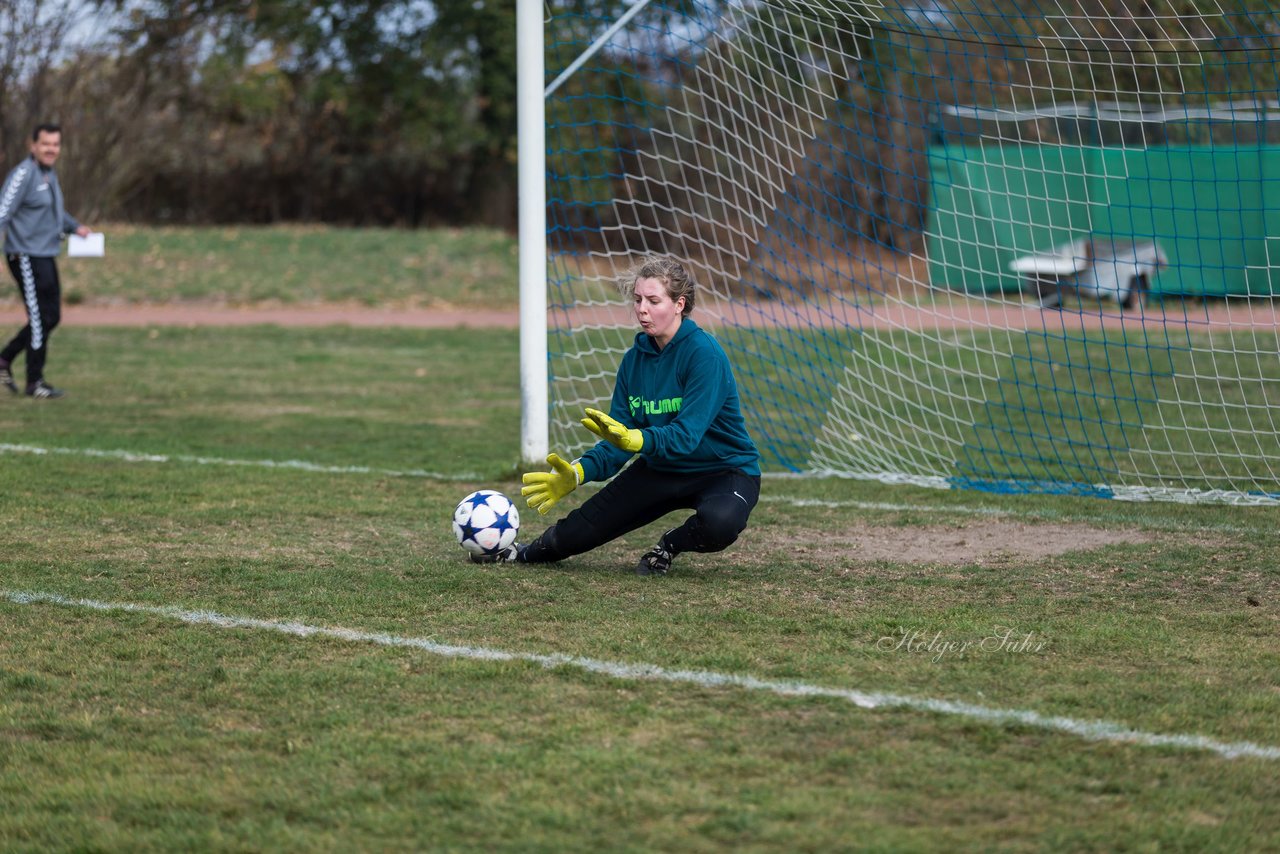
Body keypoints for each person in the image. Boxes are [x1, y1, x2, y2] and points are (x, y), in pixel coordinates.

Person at [481, 255, 762, 575]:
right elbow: (618, 439)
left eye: (653, 300)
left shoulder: (703, 354)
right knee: (580, 529)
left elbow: (686, 436)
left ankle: (669, 546)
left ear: (679, 304)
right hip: (662, 468)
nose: (641, 308)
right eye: (638, 299)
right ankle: (522, 553)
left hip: (724, 469)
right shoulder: (634, 361)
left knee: (720, 523)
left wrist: (636, 438)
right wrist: (577, 473)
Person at [0, 123, 93, 399]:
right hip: (25, 255)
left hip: (46, 254)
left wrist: (75, 227)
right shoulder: (23, 174)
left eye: (55, 144)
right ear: (33, 145)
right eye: (46, 144)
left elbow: (54, 212)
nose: (51, 149)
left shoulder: (49, 174)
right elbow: (2, 211)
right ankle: (35, 381)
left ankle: (5, 359)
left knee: (52, 316)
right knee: (40, 318)